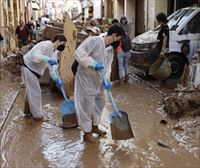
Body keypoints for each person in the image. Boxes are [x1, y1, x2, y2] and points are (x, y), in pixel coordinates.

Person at [74, 24, 125, 143]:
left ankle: (95, 126)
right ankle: (87, 132)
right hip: (85, 79)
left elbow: (107, 67)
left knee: (100, 103)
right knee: (87, 105)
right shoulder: (94, 41)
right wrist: (93, 63)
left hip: (99, 80)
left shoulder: (110, 50)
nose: (119, 42)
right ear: (114, 36)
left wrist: (106, 80)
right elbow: (79, 53)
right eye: (119, 38)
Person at [21, 34, 67, 120]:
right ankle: (38, 116)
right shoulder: (45, 45)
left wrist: (57, 80)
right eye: (63, 43)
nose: (63, 46)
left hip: (33, 71)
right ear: (58, 41)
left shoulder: (54, 52)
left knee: (30, 91)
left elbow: (52, 69)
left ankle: (27, 111)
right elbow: (35, 57)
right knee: (35, 92)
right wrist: (48, 59)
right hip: (29, 68)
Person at [116, 16, 132, 84]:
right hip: (127, 51)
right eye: (122, 19)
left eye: (124, 19)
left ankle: (121, 80)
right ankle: (126, 79)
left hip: (120, 52)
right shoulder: (128, 37)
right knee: (125, 65)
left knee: (121, 66)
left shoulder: (119, 37)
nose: (123, 20)